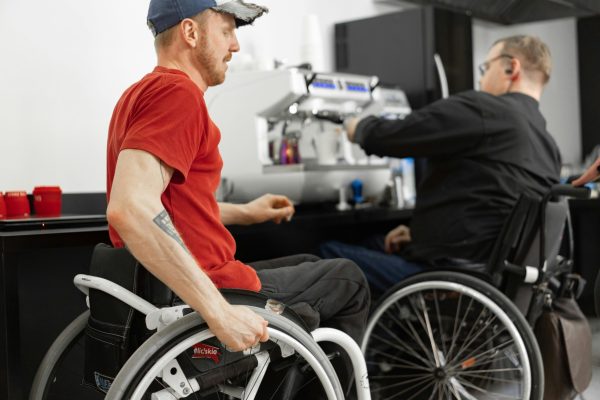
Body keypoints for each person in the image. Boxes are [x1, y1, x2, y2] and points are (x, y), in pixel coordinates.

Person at [106, 0, 369, 393]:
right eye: (227, 31)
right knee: (348, 278)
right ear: (191, 33)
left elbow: (173, 206)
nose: (236, 46)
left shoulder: (139, 93)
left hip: (163, 284)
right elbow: (132, 208)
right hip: (204, 289)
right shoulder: (178, 96)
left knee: (310, 263)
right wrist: (219, 312)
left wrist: (247, 212)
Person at [321, 35, 562, 298]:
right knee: (373, 243)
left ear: (510, 68)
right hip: (491, 279)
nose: (481, 80)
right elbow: (490, 203)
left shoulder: (486, 110)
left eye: (485, 69)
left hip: (451, 278)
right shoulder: (549, 146)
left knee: (325, 255)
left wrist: (360, 128)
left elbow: (400, 134)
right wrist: (418, 235)